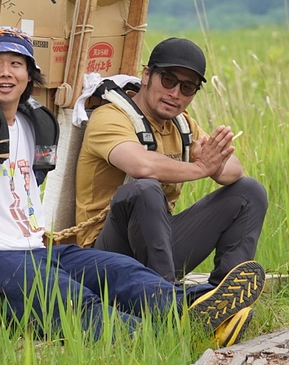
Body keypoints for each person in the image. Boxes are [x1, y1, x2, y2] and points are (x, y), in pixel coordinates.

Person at [0, 27, 263, 339]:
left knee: (121, 273)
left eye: (16, 64)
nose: (6, 72)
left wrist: (209, 161)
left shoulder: (27, 125)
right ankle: (163, 338)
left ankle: (203, 306)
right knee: (70, 297)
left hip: (34, 250)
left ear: (29, 75)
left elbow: (233, 172)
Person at [73, 36, 267, 339]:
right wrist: (200, 168)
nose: (175, 93)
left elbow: (233, 170)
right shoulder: (109, 116)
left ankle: (220, 302)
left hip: (155, 248)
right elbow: (141, 166)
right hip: (103, 258)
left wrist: (210, 163)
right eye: (168, 80)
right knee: (144, 189)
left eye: (187, 88)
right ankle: (172, 308)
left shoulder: (182, 124)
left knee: (249, 191)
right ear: (147, 76)